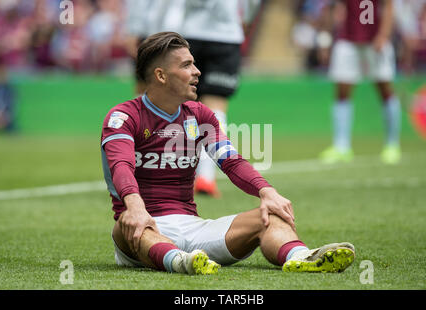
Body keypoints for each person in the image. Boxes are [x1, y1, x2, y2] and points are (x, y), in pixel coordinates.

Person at [101, 32, 356, 275]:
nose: (197, 71)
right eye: (187, 65)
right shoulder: (123, 117)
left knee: (271, 214)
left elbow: (231, 162)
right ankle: (178, 261)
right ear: (161, 75)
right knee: (126, 225)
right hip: (144, 228)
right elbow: (121, 165)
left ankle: (301, 257)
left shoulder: (200, 114)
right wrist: (135, 207)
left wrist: (267, 192)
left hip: (194, 228)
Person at [180, 0, 262, 197]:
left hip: (190, 34)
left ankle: (182, 176)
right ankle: (206, 178)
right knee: (216, 107)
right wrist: (247, 19)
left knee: (187, 106)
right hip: (226, 36)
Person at [319, 0, 402, 164]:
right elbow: (332, 8)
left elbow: (389, 6)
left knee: (384, 89)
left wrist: (384, 35)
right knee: (342, 91)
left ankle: (392, 145)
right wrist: (326, 41)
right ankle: (342, 146)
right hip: (347, 40)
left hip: (375, 39)